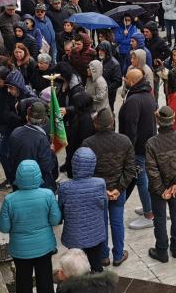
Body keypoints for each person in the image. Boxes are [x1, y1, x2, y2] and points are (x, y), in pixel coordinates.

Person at [0, 160, 62, 293]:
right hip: (44, 246)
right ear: (38, 175)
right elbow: (55, 220)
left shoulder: (10, 200)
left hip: (20, 249)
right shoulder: (47, 195)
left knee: (23, 279)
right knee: (45, 277)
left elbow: (4, 227)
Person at [81, 108, 135, 267]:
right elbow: (130, 169)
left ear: (96, 124)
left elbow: (86, 170)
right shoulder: (125, 141)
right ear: (112, 123)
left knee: (101, 223)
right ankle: (118, 254)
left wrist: (103, 190)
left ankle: (103, 256)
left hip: (98, 191)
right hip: (119, 191)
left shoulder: (88, 143)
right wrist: (119, 188)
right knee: (117, 222)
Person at [145, 106, 176, 262]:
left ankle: (162, 252)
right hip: (175, 188)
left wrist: (161, 191)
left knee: (159, 218)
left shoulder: (152, 143)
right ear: (173, 119)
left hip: (159, 190)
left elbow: (152, 171)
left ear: (158, 121)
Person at [118, 68, 157, 230]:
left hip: (138, 148)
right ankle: (150, 207)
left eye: (126, 79)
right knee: (146, 178)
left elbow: (131, 128)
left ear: (133, 82)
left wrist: (128, 151)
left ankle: (149, 214)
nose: (125, 80)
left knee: (142, 180)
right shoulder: (148, 94)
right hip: (148, 144)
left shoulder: (134, 100)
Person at [58, 147, 108, 272]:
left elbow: (61, 211)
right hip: (95, 232)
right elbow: (104, 206)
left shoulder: (64, 187)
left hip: (74, 235)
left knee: (76, 267)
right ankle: (98, 286)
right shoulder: (100, 183)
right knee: (96, 263)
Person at [7, 101, 58, 191]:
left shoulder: (15, 132)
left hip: (18, 183)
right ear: (43, 120)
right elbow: (47, 167)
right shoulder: (42, 139)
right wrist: (52, 152)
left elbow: (9, 158)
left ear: (27, 117)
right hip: (36, 187)